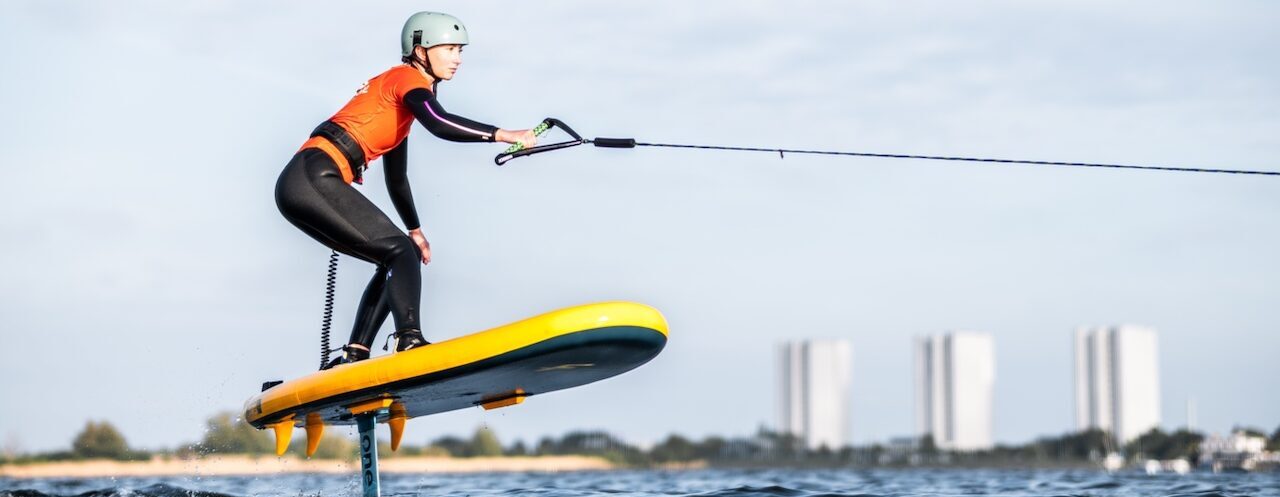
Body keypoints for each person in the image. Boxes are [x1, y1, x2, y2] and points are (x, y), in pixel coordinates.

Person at [275, 12, 536, 369]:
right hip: (312, 176)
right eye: (449, 49)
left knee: (399, 252)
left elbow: (396, 179)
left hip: (305, 182)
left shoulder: (397, 108)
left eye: (460, 50)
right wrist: (503, 134)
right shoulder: (406, 79)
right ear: (420, 50)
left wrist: (415, 230)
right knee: (398, 252)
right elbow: (440, 123)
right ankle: (409, 339)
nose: (458, 58)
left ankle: (356, 354)